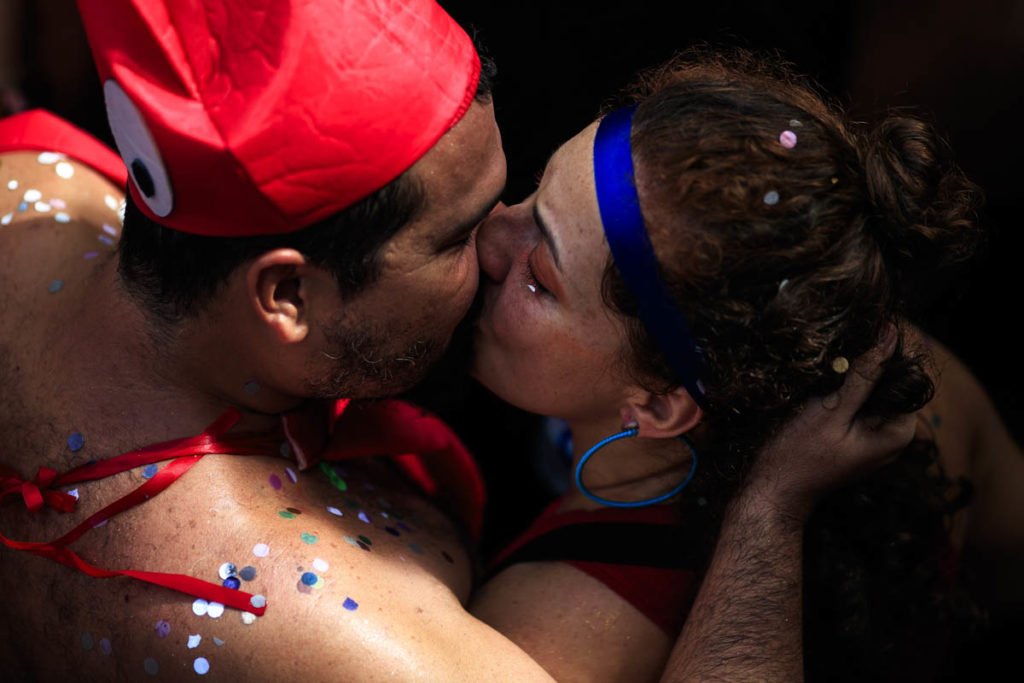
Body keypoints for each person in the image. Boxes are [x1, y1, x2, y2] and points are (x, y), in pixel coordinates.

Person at [0, 2, 908, 681]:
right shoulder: (358, 641)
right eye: (453, 237)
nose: (495, 246)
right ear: (285, 294)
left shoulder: (26, 188)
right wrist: (766, 515)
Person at [467, 50, 1020, 682]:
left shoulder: (552, 628)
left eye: (540, 279)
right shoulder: (914, 388)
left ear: (658, 403)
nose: (488, 235)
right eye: (537, 191)